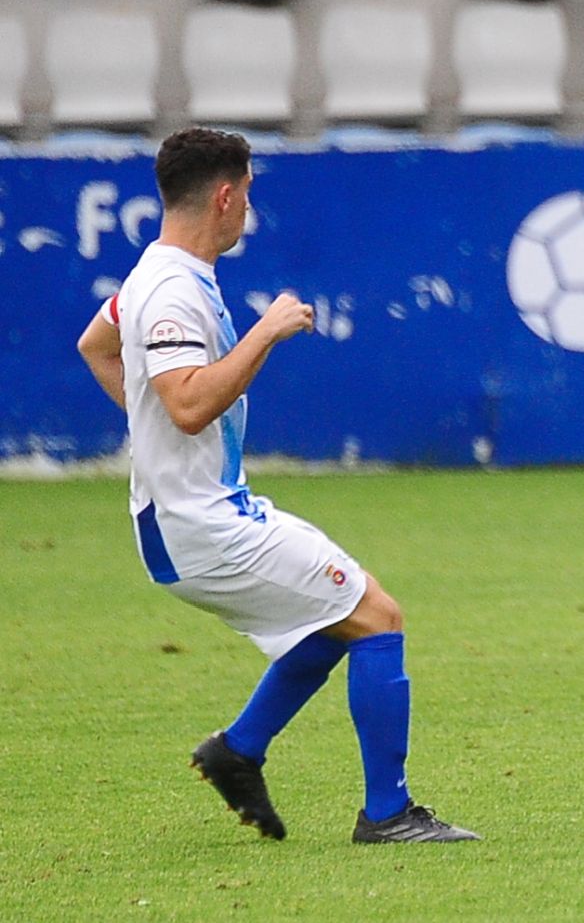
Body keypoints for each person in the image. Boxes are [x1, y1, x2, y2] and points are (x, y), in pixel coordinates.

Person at [75, 128, 477, 844]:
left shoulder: (156, 272)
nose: (248, 212)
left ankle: (238, 750)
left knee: (332, 620)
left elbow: (96, 346)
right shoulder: (171, 289)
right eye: (248, 195)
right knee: (378, 616)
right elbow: (190, 402)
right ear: (224, 196)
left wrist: (157, 430)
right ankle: (388, 813)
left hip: (195, 512)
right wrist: (265, 331)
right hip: (200, 523)